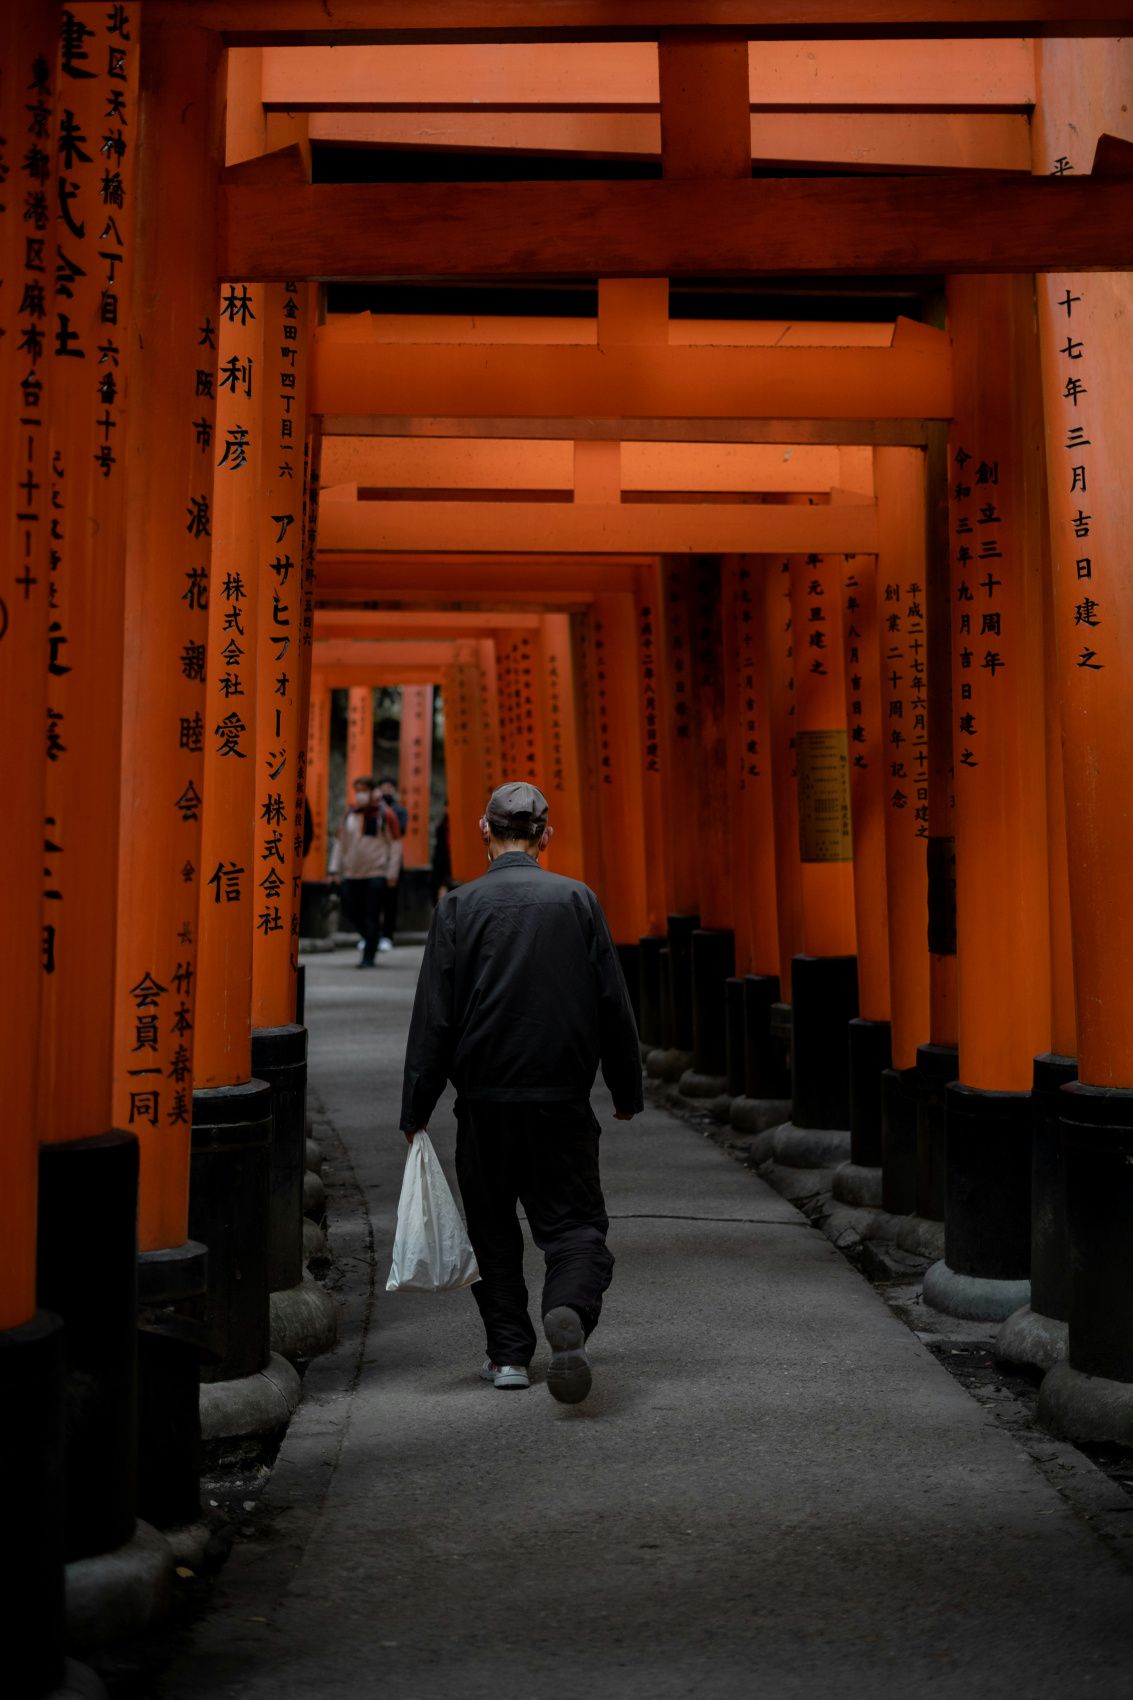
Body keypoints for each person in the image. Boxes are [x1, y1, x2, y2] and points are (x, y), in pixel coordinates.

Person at [399, 781, 643, 1404]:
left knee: (491, 1230)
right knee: (575, 1226)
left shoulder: (458, 907)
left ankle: (508, 1356)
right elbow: (612, 1003)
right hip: (560, 1099)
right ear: (545, 835)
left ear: (484, 829)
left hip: (484, 1105)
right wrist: (625, 1086)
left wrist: (416, 1105)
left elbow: (436, 1014)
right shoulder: (577, 900)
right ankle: (566, 1310)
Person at [329, 776, 400, 968]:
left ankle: (368, 956)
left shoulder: (385, 815)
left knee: (371, 913)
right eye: (357, 790)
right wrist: (334, 869)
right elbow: (340, 843)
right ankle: (372, 937)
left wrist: (392, 873)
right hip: (351, 873)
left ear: (372, 791)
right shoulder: (349, 814)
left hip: (375, 873)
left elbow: (394, 845)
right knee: (351, 910)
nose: (360, 794)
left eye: (363, 790)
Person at [375, 777, 407, 951]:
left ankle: (388, 935)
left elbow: (400, 830)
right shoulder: (373, 810)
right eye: (383, 788)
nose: (386, 791)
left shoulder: (398, 810)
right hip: (375, 861)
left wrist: (386, 812)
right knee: (374, 901)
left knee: (390, 901)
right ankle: (374, 934)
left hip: (393, 861)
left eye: (389, 788)